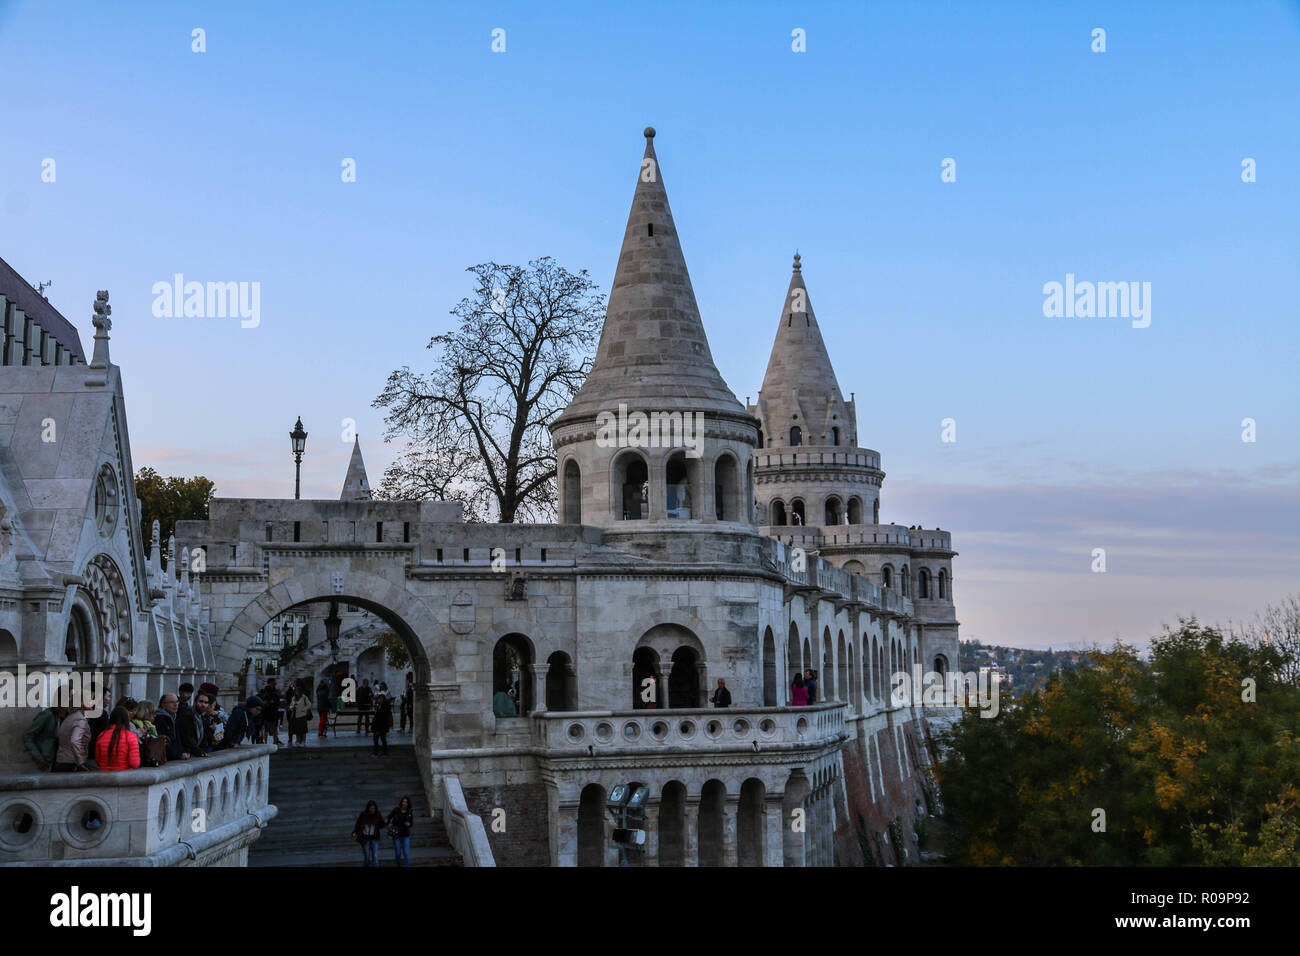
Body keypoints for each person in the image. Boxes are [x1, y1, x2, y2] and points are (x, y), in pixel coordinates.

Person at [52, 696, 95, 771]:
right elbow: (74, 741)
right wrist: (80, 762)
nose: (92, 708)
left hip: (61, 761)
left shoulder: (69, 718)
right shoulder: (80, 720)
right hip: (72, 763)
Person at [94, 706, 141, 771]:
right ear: (126, 719)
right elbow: (134, 763)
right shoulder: (131, 736)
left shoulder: (102, 735)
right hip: (124, 776)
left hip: (104, 776)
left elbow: (98, 761)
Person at [23, 706, 66, 771]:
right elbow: (27, 736)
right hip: (43, 761)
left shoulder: (64, 716)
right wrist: (38, 757)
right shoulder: (48, 715)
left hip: (56, 761)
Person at [179, 690, 212, 758]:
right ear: (195, 702)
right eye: (201, 701)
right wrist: (200, 752)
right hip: (187, 753)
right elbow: (188, 738)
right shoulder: (187, 715)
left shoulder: (201, 717)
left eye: (206, 703)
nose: (203, 705)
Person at [352, 800, 385, 867]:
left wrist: (384, 822)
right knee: (367, 857)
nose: (372, 810)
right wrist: (355, 832)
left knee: (375, 856)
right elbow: (358, 824)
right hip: (365, 838)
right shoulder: (363, 814)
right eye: (371, 808)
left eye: (374, 808)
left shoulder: (378, 814)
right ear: (368, 808)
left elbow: (381, 825)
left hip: (374, 837)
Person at [388, 796, 414, 867]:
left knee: (406, 853)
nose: (404, 803)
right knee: (398, 853)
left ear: (408, 804)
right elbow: (389, 817)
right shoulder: (396, 810)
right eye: (403, 801)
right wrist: (389, 823)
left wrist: (409, 824)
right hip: (396, 834)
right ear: (401, 802)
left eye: (406, 802)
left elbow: (411, 823)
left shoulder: (410, 812)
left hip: (405, 835)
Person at [155, 693, 183, 761]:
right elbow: (164, 742)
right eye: (172, 702)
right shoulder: (159, 718)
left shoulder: (175, 717)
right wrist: (178, 755)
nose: (175, 704)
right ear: (163, 705)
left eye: (177, 702)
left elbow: (178, 740)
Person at [259, 677, 282, 745]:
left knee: (274, 727)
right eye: (274, 682)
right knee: (266, 727)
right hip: (267, 711)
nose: (275, 683)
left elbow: (277, 700)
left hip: (274, 711)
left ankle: (275, 741)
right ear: (271, 682)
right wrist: (269, 702)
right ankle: (265, 742)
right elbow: (262, 699)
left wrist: (275, 702)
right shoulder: (265, 691)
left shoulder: (275, 691)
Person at [371, 688, 392, 757]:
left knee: (380, 739)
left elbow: (381, 717)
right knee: (381, 739)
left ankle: (379, 752)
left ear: (382, 699)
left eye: (379, 699)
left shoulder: (384, 707)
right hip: (379, 726)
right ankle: (381, 752)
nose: (378, 700)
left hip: (381, 726)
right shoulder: (379, 706)